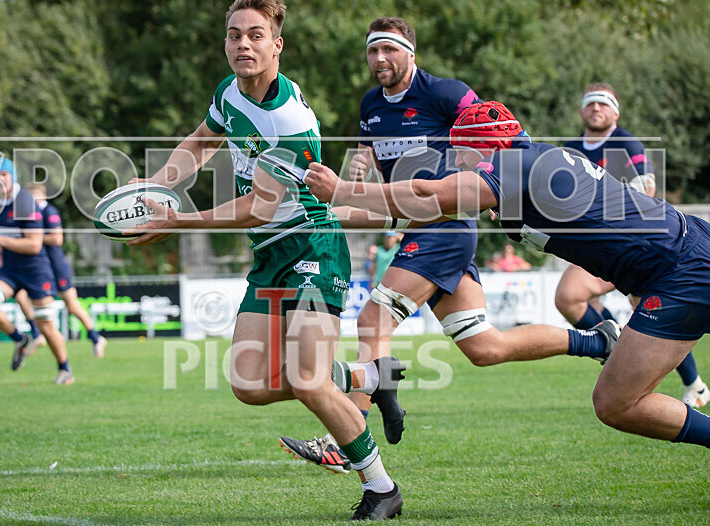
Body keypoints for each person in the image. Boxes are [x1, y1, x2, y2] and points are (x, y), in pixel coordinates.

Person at [278, 18, 616, 474]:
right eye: (373, 51)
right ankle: (596, 342)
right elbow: (375, 167)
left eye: (389, 50)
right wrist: (359, 172)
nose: (380, 59)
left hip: (446, 224)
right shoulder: (370, 106)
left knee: (372, 321)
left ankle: (350, 432)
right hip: (418, 226)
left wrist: (512, 188)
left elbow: (504, 131)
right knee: (484, 347)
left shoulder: (445, 93)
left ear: (410, 52)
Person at [125, 1, 401, 519]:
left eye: (255, 35)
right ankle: (367, 377)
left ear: (277, 45)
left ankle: (381, 488)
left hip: (312, 248)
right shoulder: (230, 92)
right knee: (248, 383)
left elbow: (257, 208)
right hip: (269, 255)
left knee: (307, 380)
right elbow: (203, 140)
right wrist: (157, 186)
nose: (242, 45)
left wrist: (177, 222)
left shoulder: (287, 120)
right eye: (234, 36)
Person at [305, 100, 710, 451]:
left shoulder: (515, 164)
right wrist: (323, 216)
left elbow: (434, 195)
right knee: (612, 400)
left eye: (460, 154)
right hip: (677, 260)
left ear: (485, 147)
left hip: (679, 270)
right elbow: (419, 211)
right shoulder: (529, 167)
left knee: (617, 403)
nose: (456, 164)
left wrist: (343, 189)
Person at [557, 83, 708, 408]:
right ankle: (615, 341)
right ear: (582, 111)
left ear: (616, 112)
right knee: (570, 299)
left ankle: (691, 382)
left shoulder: (625, 143)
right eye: (590, 103)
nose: (596, 108)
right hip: (592, 244)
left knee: (654, 310)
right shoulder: (570, 148)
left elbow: (646, 190)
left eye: (603, 103)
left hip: (633, 244)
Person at [0, 157, 74, 385]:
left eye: (4, 174)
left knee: (46, 323)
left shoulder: (25, 203)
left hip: (35, 270)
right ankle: (20, 339)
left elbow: (34, 245)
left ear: (12, 176)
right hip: (10, 269)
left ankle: (65, 369)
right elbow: (6, 237)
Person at [27, 184, 107, 358]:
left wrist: (33, 237)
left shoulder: (49, 212)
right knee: (28, 299)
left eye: (33, 196)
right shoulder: (32, 215)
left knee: (72, 305)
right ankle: (37, 335)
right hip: (41, 267)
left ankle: (96, 338)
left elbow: (57, 238)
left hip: (56, 266)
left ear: (42, 196)